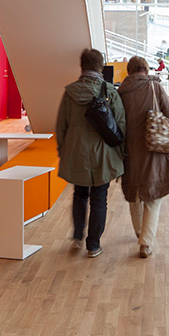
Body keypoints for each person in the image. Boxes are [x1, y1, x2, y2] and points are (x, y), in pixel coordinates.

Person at [55, 47, 125, 257]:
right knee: (99, 198)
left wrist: (63, 151)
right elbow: (120, 125)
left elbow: (61, 126)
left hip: (77, 152)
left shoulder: (70, 93)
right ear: (100, 66)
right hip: (103, 154)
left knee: (79, 194)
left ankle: (77, 237)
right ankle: (93, 245)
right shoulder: (109, 91)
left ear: (82, 66)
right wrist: (121, 154)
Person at [117, 56, 169, 258]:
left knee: (134, 193)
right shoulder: (155, 87)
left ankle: (138, 232)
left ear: (129, 71)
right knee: (153, 195)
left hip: (130, 148)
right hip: (153, 146)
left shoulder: (121, 92)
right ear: (146, 69)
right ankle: (145, 242)